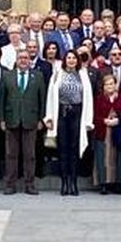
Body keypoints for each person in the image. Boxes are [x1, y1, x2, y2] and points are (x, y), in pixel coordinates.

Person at [45, 50, 94, 196]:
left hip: (77, 114)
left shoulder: (83, 74)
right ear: (65, 60)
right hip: (61, 113)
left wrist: (88, 120)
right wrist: (49, 117)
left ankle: (73, 182)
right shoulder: (57, 74)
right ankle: (64, 182)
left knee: (74, 149)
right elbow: (50, 95)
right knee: (63, 149)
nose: (71, 60)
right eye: (69, 58)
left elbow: (88, 98)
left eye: (74, 58)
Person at [1, 49, 47, 196]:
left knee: (30, 155)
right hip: (11, 119)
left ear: (30, 60)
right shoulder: (7, 76)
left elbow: (42, 99)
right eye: (20, 57)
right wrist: (2, 119)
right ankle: (10, 184)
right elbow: (2, 99)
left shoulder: (38, 76)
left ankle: (30, 184)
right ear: (16, 59)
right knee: (11, 154)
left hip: (31, 120)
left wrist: (41, 118)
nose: (23, 60)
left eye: (26, 58)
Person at [92, 71, 121, 194]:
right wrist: (103, 120)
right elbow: (94, 116)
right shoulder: (98, 99)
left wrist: (118, 120)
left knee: (118, 156)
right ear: (103, 86)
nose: (110, 86)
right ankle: (104, 183)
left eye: (112, 84)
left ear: (116, 85)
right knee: (102, 157)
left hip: (118, 131)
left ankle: (118, 183)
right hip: (103, 131)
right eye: (107, 84)